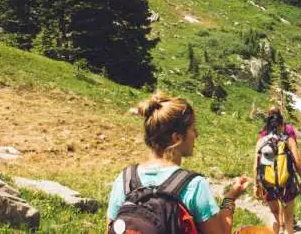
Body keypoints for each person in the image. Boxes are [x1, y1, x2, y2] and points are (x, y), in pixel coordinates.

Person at [107, 93, 250, 234]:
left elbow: (110, 228)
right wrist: (230, 199)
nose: (196, 134)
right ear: (177, 138)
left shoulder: (126, 179)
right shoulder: (193, 185)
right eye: (192, 129)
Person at [254, 107, 301, 234]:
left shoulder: (261, 142)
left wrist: (256, 185)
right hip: (286, 183)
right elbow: (297, 163)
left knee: (274, 213)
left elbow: (256, 166)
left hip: (268, 183)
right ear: (282, 125)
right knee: (289, 216)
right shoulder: (289, 140)